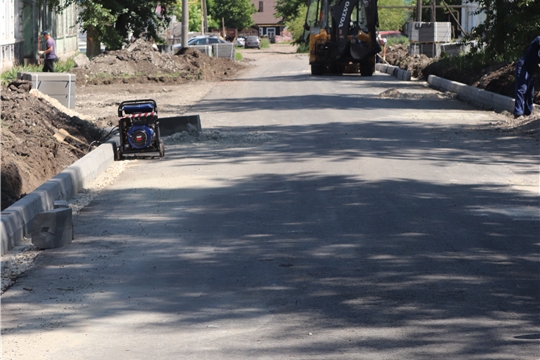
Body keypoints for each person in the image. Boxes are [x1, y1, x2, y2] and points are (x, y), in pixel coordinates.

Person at [514, 36, 540, 119]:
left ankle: (527, 114)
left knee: (530, 92)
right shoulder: (537, 40)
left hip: (530, 69)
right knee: (522, 89)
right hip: (523, 66)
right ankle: (518, 113)